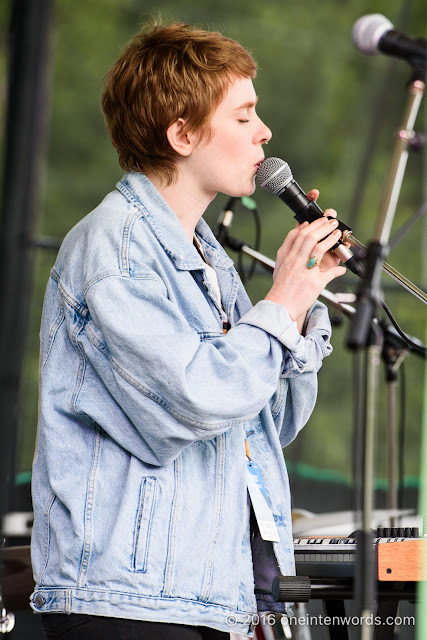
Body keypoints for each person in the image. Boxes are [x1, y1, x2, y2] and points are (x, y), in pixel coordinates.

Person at [30, 21, 346, 640]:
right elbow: (197, 398)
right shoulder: (114, 251)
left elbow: (265, 423)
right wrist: (279, 300)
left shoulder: (208, 260)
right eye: (244, 115)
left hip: (207, 595)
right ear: (181, 134)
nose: (265, 132)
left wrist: (303, 304)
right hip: (129, 603)